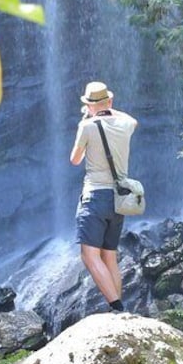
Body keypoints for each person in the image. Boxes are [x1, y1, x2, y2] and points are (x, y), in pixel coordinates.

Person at [70, 81, 138, 312]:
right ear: (109, 102)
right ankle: (117, 311)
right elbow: (133, 119)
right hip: (118, 200)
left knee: (90, 256)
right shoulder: (126, 123)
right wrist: (106, 108)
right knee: (109, 256)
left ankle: (117, 307)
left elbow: (75, 159)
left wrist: (90, 116)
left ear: (89, 104)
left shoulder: (87, 126)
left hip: (95, 197)